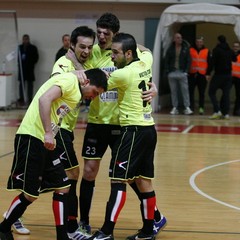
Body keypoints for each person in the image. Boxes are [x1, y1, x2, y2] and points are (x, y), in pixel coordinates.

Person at [4, 26, 97, 240]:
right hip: (53, 131)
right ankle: (71, 227)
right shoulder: (64, 65)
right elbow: (51, 88)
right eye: (82, 46)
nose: (86, 50)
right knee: (67, 177)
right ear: (71, 45)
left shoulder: (86, 65)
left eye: (89, 47)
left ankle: (58, 229)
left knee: (60, 184)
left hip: (60, 129)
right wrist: (48, 132)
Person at [78, 13, 165, 238]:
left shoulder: (122, 73)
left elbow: (93, 87)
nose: (102, 38)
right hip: (113, 125)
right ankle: (147, 229)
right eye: (99, 33)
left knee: (121, 178)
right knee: (140, 178)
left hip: (127, 128)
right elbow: (145, 55)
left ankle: (108, 231)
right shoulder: (142, 60)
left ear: (125, 49)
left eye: (108, 35)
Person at [208, 35, 236, 120]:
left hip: (219, 75)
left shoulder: (216, 50)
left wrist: (207, 73)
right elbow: (234, 59)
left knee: (211, 92)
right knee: (226, 94)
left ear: (218, 41)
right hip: (228, 76)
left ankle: (217, 111)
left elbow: (212, 63)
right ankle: (226, 114)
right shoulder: (230, 50)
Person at [165, 32, 193, 115]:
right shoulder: (170, 49)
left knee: (185, 90)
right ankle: (175, 107)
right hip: (172, 72)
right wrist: (167, 71)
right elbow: (166, 60)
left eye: (180, 37)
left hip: (182, 72)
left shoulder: (185, 48)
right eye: (177, 37)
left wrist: (186, 71)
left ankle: (187, 107)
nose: (180, 39)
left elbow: (189, 60)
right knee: (173, 91)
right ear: (174, 39)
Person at [188, 36, 212, 115]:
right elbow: (187, 61)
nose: (199, 43)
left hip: (202, 74)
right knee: (191, 92)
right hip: (192, 73)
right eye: (197, 42)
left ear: (203, 42)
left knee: (201, 93)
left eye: (200, 42)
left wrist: (208, 73)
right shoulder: (190, 50)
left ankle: (201, 108)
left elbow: (210, 63)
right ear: (195, 42)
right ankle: (191, 107)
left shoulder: (207, 51)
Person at [18, 34, 39, 106]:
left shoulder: (33, 48)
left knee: (30, 84)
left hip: (30, 69)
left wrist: (31, 63)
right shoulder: (19, 47)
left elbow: (36, 58)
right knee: (21, 85)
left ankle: (30, 99)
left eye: (26, 39)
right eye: (24, 39)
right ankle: (21, 99)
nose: (25, 40)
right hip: (22, 69)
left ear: (28, 39)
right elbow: (17, 57)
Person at [231, 41, 240, 116]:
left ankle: (236, 111)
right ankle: (224, 110)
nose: (235, 48)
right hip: (230, 77)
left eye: (237, 46)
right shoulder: (229, 55)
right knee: (225, 94)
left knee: (239, 95)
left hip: (238, 78)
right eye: (234, 46)